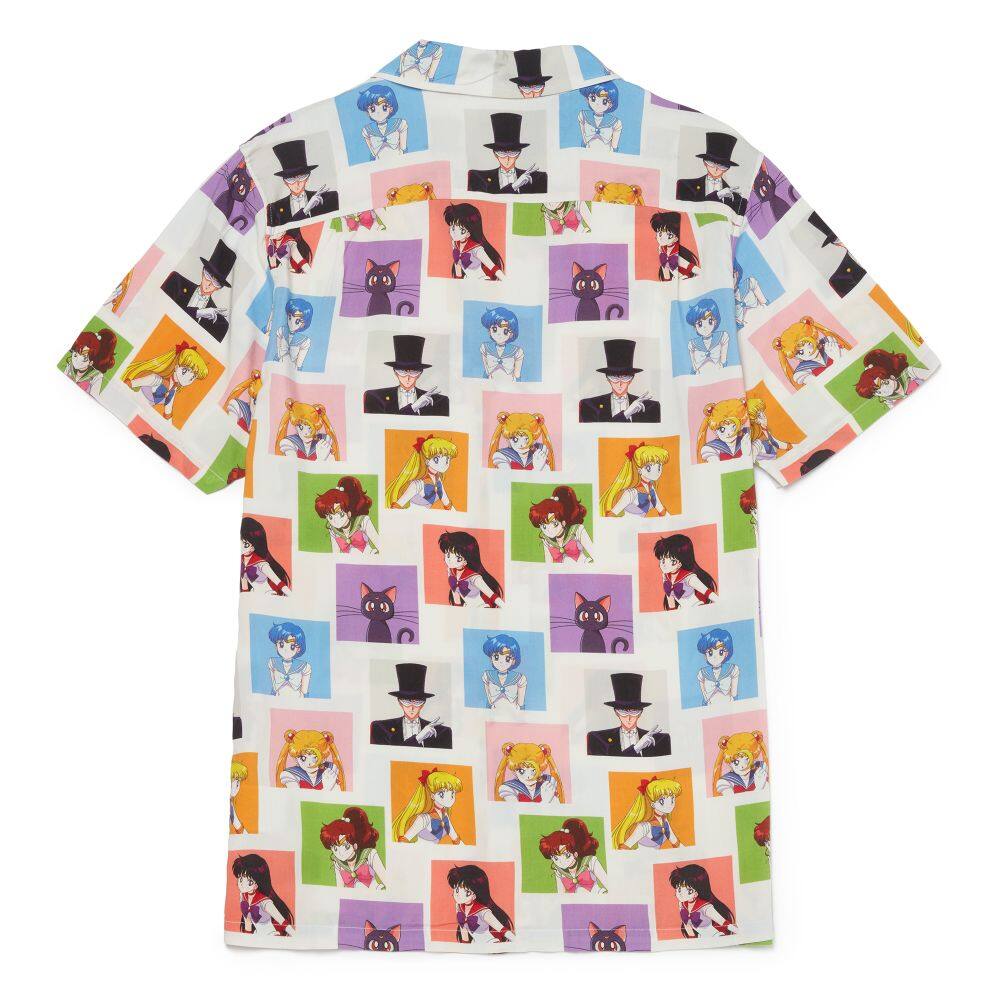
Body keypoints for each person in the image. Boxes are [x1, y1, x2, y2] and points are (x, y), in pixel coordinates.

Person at [587, 673, 671, 757]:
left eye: (634, 712)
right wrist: (637, 748)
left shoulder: (660, 740)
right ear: (616, 712)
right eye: (623, 712)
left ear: (640, 713)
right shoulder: (598, 739)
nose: (629, 717)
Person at [370, 662, 453, 748]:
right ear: (399, 702)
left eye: (417, 702)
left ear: (423, 704)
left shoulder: (442, 732)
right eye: (407, 702)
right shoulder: (381, 728)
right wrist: (419, 737)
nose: (412, 707)